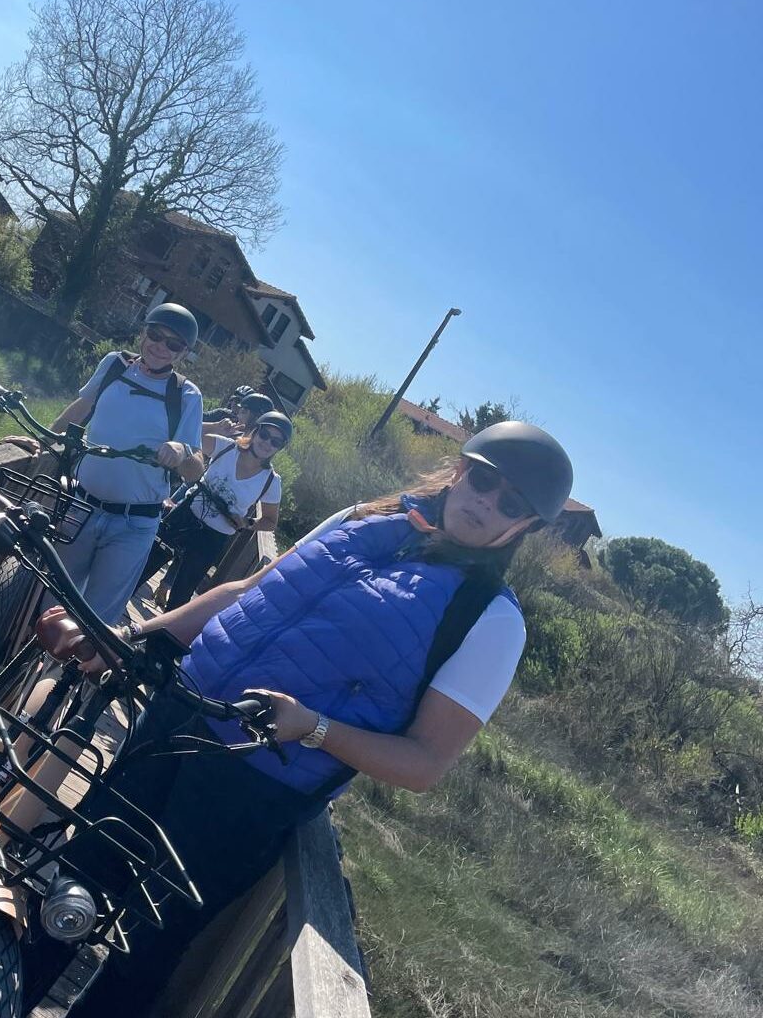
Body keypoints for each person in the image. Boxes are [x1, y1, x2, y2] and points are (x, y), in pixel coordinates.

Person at [31, 420, 574, 1015]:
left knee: (145, 948)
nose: (487, 503)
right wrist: (133, 637)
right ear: (461, 470)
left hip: (253, 783)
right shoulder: (363, 518)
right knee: (75, 881)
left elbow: (424, 763)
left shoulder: (491, 619)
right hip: (177, 711)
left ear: (525, 526)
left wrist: (313, 727)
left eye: (511, 503)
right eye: (484, 480)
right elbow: (247, 591)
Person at [7, 304, 205, 625]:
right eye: (155, 335)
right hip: (81, 506)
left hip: (134, 524)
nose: (161, 346)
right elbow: (82, 407)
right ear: (143, 333)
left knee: (96, 618)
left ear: (183, 353)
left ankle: (67, 659)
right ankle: (27, 653)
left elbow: (196, 471)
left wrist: (182, 451)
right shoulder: (115, 364)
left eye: (173, 344)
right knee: (50, 599)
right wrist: (42, 440)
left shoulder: (186, 395)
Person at [140, 410, 289, 610]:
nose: (267, 443)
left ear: (279, 448)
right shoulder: (227, 447)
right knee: (143, 567)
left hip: (213, 538)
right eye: (264, 435)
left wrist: (247, 522)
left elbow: (270, 521)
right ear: (255, 432)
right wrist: (215, 427)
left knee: (181, 596)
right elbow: (190, 434)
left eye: (275, 442)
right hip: (185, 516)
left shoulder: (271, 481)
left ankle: (159, 631)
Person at [202, 391, 274, 439]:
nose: (238, 414)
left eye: (242, 411)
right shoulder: (263, 446)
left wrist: (215, 428)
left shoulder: (233, 438)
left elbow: (201, 438)